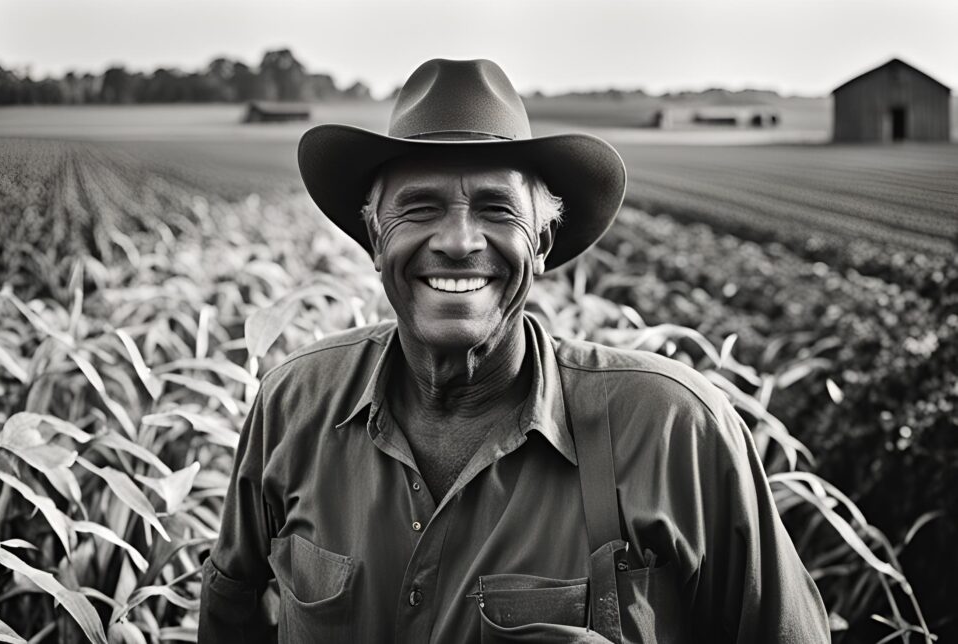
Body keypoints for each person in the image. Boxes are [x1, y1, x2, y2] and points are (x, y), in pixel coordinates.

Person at [198, 58, 830, 643]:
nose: (457, 241)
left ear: (543, 242)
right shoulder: (294, 406)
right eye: (419, 207)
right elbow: (232, 613)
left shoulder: (674, 432)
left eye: (497, 208)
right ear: (373, 237)